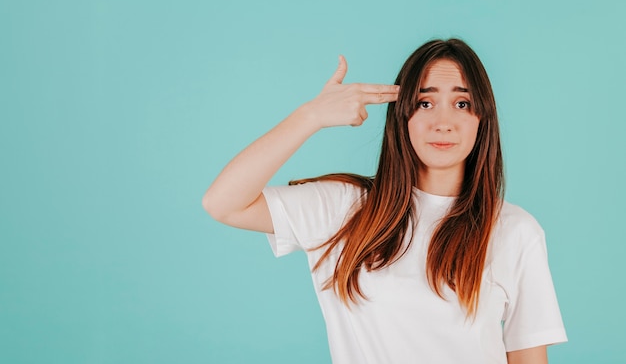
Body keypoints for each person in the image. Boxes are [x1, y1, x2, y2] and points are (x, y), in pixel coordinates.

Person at [202, 39, 567, 364]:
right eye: (425, 102)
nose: (443, 122)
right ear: (402, 114)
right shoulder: (343, 209)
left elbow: (528, 356)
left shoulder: (515, 231)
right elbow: (224, 203)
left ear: (482, 119)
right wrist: (310, 116)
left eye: (461, 102)